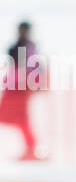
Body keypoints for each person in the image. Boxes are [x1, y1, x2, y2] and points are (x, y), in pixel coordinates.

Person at [0, 20, 44, 160]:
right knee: (15, 117)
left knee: (21, 118)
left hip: (21, 86)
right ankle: (32, 148)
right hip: (14, 85)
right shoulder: (17, 46)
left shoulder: (30, 47)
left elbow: (35, 67)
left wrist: (34, 83)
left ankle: (32, 149)